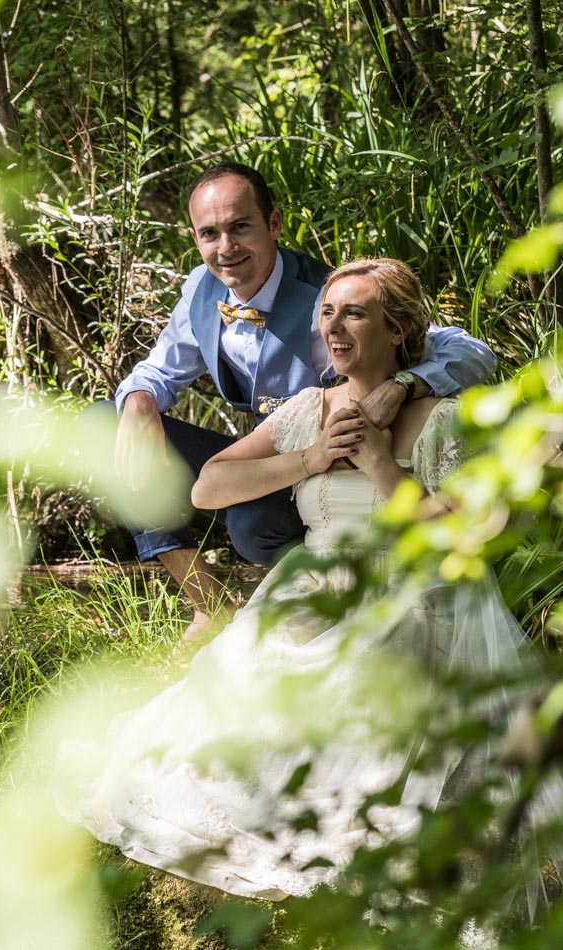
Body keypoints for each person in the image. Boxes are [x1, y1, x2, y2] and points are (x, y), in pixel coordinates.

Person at [57, 259, 534, 901]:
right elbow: (207, 485)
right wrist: (311, 457)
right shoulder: (311, 406)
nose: (334, 327)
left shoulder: (442, 417)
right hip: (310, 583)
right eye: (328, 313)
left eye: (355, 313)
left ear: (397, 329)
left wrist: (374, 462)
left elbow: (456, 535)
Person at [105, 163, 495, 638]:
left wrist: (404, 386)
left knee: (250, 523)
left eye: (240, 227)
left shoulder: (328, 301)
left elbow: (471, 351)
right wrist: (142, 396)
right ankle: (207, 601)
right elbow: (160, 368)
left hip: (332, 469)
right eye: (210, 234)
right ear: (195, 237)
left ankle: (326, 580)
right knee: (107, 421)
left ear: (274, 224)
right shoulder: (200, 291)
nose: (225, 248)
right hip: (273, 453)